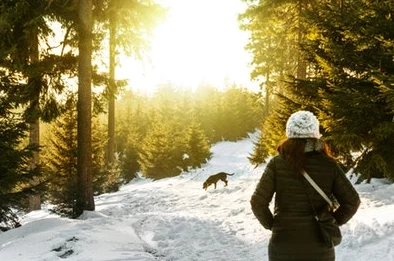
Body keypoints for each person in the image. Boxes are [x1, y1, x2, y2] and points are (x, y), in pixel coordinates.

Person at [251, 110, 360, 261]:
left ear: (290, 133)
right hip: (320, 247)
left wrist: (274, 226)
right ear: (315, 134)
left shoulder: (276, 163)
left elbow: (258, 202)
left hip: (283, 246)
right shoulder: (329, 164)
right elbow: (352, 201)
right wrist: (331, 221)